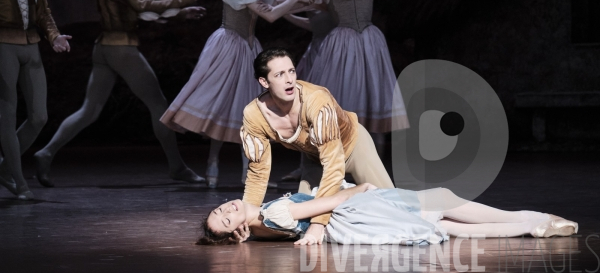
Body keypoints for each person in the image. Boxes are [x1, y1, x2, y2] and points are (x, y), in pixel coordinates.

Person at [33, 0, 208, 187]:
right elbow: (143, 5)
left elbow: (135, 13)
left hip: (103, 48)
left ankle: (46, 153)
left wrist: (179, 13)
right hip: (121, 50)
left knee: (89, 110)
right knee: (159, 105)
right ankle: (177, 166)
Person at [160, 0, 313, 188]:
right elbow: (271, 15)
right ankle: (212, 162)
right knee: (222, 105)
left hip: (249, 47)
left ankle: (248, 174)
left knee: (247, 110)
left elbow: (274, 4)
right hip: (229, 46)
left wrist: (298, 0)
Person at [240, 48, 396, 243]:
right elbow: (258, 172)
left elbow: (333, 164)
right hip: (315, 160)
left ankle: (442, 209)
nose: (289, 79)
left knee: (395, 208)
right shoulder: (254, 115)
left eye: (291, 71)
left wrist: (318, 223)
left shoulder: (316, 99)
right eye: (279, 74)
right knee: (298, 223)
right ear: (264, 81)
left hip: (354, 147)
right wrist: (245, 219)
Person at [199, 184, 579, 246]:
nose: (227, 208)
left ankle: (534, 226)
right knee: (443, 200)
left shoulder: (266, 220)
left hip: (354, 227)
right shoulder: (274, 212)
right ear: (238, 231)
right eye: (227, 219)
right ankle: (530, 216)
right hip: (356, 210)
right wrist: (358, 189)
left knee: (444, 226)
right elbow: (321, 207)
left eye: (221, 209)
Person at [305, 0, 409, 155]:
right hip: (371, 42)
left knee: (344, 94)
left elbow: (316, 3)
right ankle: (375, 169)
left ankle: (339, 168)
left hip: (343, 41)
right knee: (373, 97)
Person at [0, 0, 72, 200]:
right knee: (6, 115)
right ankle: (19, 182)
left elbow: (43, 11)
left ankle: (5, 168)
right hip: (3, 44)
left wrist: (54, 36)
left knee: (39, 116)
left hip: (31, 45)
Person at [281, 0, 336, 183]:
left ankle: (328, 163)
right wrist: (285, 13)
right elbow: (314, 26)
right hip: (315, 50)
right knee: (304, 111)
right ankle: (305, 164)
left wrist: (278, 7)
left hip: (331, 52)